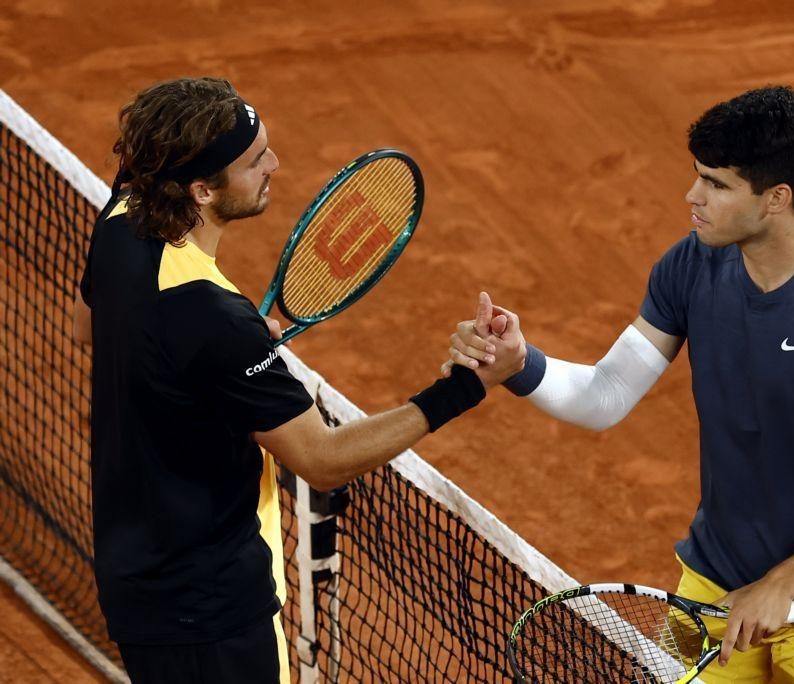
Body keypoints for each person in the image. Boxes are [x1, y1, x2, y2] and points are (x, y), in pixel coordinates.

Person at [446, 86, 794, 683]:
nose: (692, 197)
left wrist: (780, 585)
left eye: (717, 185)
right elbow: (605, 395)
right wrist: (521, 366)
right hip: (715, 587)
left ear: (777, 198)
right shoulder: (690, 266)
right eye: (698, 177)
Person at [72, 77, 523, 684]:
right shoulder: (212, 320)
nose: (275, 166)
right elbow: (323, 458)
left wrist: (200, 368)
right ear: (203, 189)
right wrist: (468, 385)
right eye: (255, 160)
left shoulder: (124, 218)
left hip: (137, 579)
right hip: (212, 619)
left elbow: (88, 324)